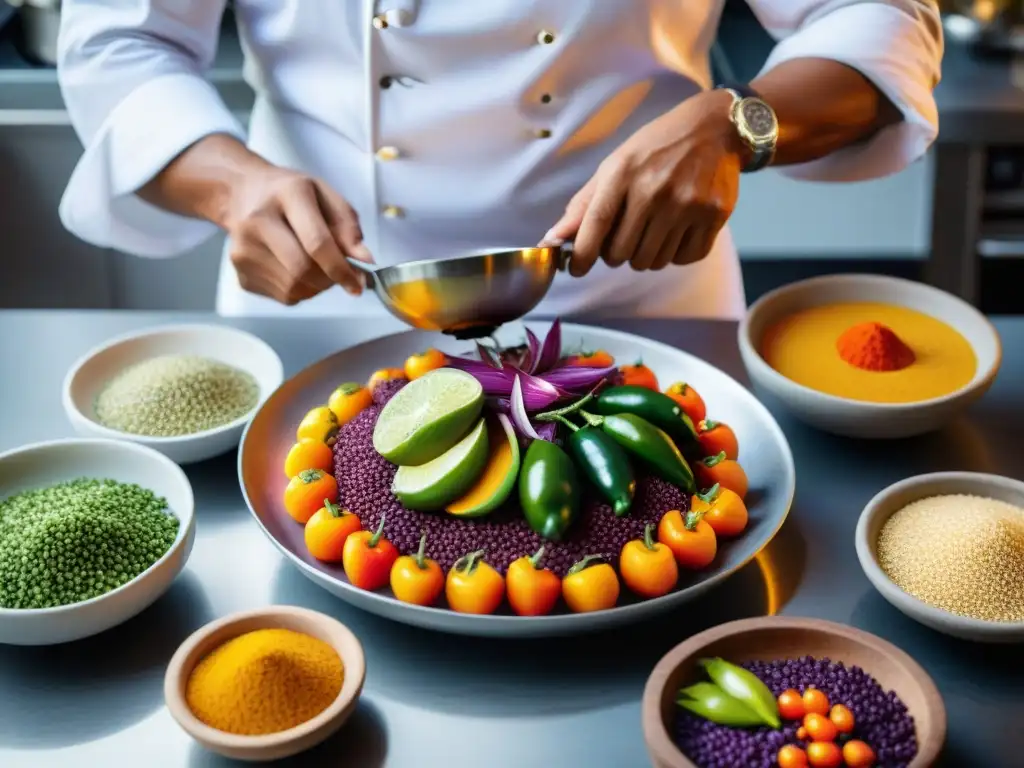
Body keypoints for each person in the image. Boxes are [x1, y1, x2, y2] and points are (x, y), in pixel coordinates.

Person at [56, 1, 942, 321]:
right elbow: (118, 41)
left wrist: (735, 122)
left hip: (640, 308)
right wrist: (234, 188)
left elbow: (880, 18)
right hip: (329, 297)